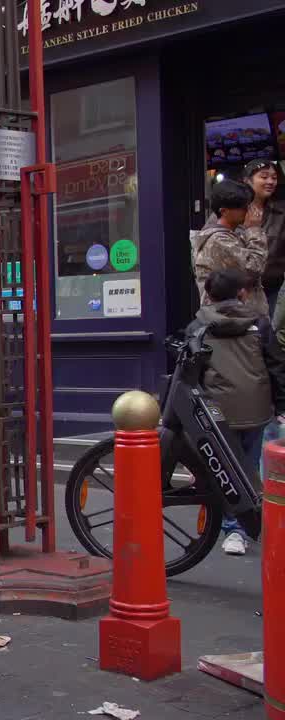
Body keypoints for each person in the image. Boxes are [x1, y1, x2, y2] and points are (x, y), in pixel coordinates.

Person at [186, 268, 285, 556]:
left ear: (208, 294)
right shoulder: (260, 324)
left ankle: (234, 529)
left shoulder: (197, 326)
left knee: (223, 469)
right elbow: (276, 367)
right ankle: (254, 523)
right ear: (241, 293)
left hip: (216, 412)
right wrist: (281, 405)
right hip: (256, 408)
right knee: (250, 468)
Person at [193, 180, 268, 317]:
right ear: (224, 211)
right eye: (243, 207)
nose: (249, 211)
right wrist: (254, 230)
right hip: (232, 323)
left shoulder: (234, 233)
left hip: (241, 320)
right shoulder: (219, 240)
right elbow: (254, 268)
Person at [243, 160, 285, 315]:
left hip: (272, 289)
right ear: (247, 180)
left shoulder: (281, 212)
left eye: (274, 177)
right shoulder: (232, 208)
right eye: (264, 177)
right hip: (238, 290)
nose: (270, 181)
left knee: (266, 334)